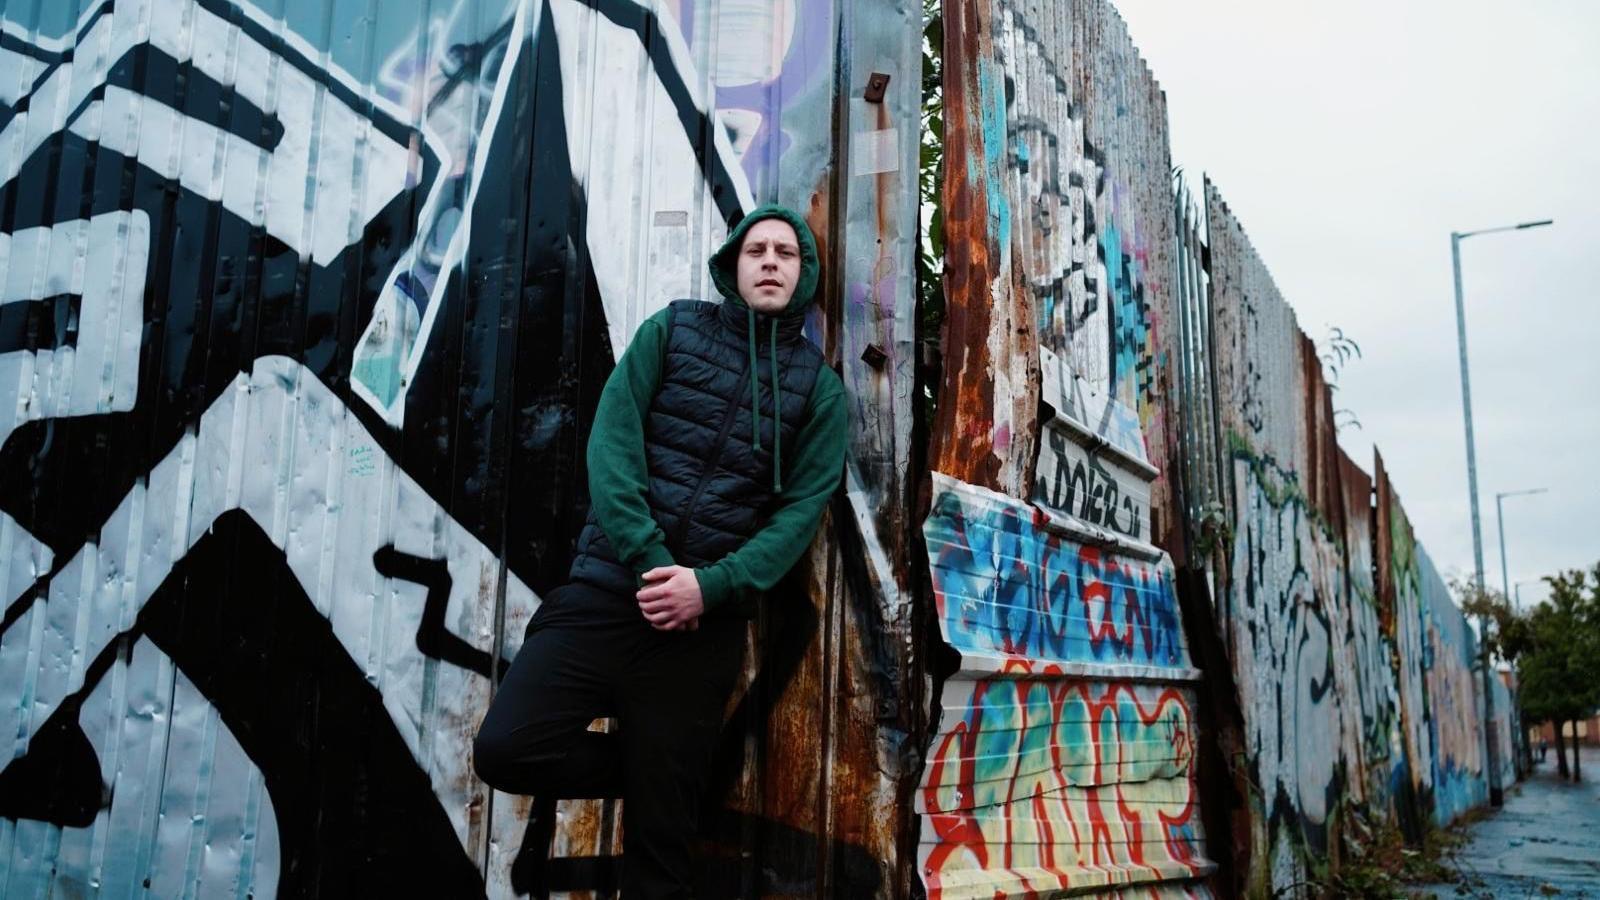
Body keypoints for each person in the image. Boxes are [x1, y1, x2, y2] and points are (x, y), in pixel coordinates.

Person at [473, 205, 847, 898]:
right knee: (507, 746)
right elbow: (611, 446)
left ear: (805, 274)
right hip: (605, 594)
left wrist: (711, 587)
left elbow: (800, 515)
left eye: (787, 253)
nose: (770, 261)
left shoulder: (820, 393)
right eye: (757, 249)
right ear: (733, 265)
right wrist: (651, 564)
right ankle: (654, 763)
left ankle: (665, 770)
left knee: (662, 847)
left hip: (701, 631)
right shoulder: (672, 330)